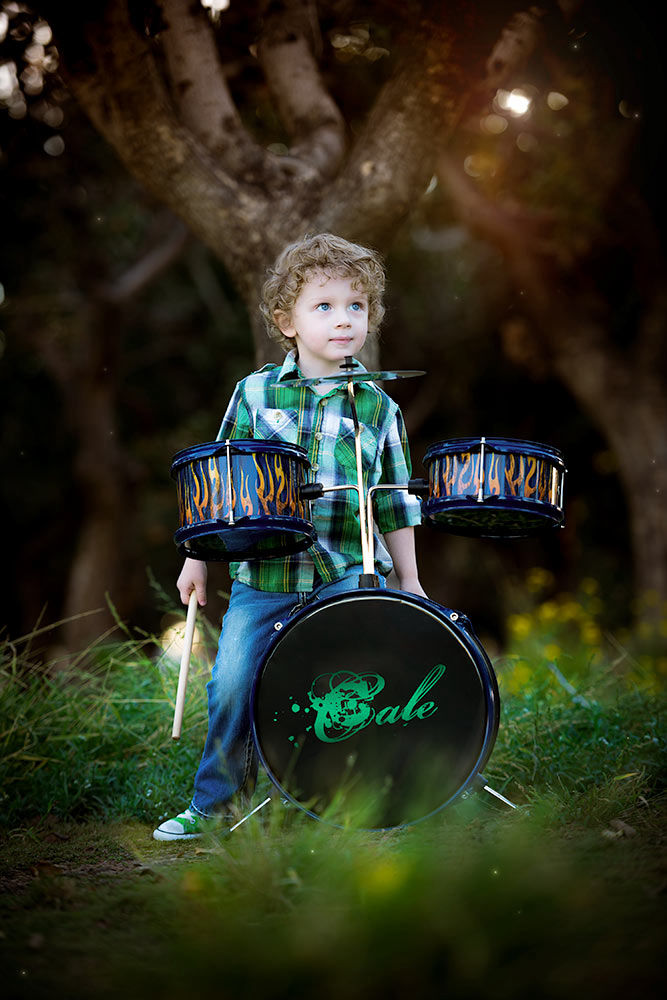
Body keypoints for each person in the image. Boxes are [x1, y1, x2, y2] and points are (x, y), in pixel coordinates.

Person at [153, 233, 426, 840]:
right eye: (323, 306)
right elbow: (218, 487)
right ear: (287, 321)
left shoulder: (379, 407)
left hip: (350, 575)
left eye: (356, 306)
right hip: (265, 579)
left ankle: (352, 802)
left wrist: (408, 579)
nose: (343, 320)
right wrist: (196, 559)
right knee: (232, 687)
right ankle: (215, 806)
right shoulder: (254, 393)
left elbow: (396, 501)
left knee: (351, 693)